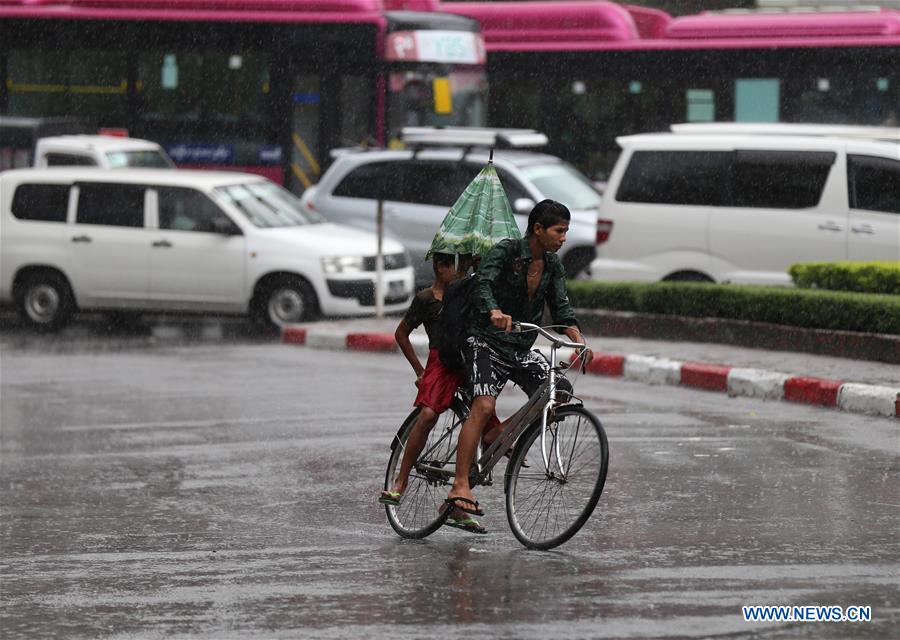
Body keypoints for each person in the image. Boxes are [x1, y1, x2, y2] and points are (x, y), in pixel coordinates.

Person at [444, 199, 594, 518]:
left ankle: (499, 433)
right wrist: (494, 311)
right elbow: (483, 284)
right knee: (483, 406)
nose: (564, 237)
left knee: (559, 389)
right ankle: (459, 485)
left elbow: (562, 308)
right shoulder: (506, 251)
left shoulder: (553, 265)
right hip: (485, 341)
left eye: (566, 231)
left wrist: (579, 340)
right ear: (538, 229)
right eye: (559, 230)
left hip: (519, 348)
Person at [379, 253, 500, 534]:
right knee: (429, 413)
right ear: (441, 267)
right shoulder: (426, 299)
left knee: (485, 423)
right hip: (440, 361)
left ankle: (457, 503)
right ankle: (401, 481)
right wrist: (420, 371)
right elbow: (401, 333)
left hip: (467, 360)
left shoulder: (471, 293)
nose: (461, 274)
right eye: (457, 268)